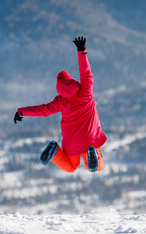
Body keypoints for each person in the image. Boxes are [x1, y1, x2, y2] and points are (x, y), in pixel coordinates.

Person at [14, 36, 107, 173]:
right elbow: (85, 72)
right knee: (96, 167)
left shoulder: (60, 101)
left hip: (71, 142)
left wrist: (22, 111)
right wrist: (81, 51)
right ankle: (92, 152)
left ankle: (55, 150)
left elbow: (43, 110)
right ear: (71, 80)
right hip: (90, 138)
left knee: (71, 167)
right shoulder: (85, 91)